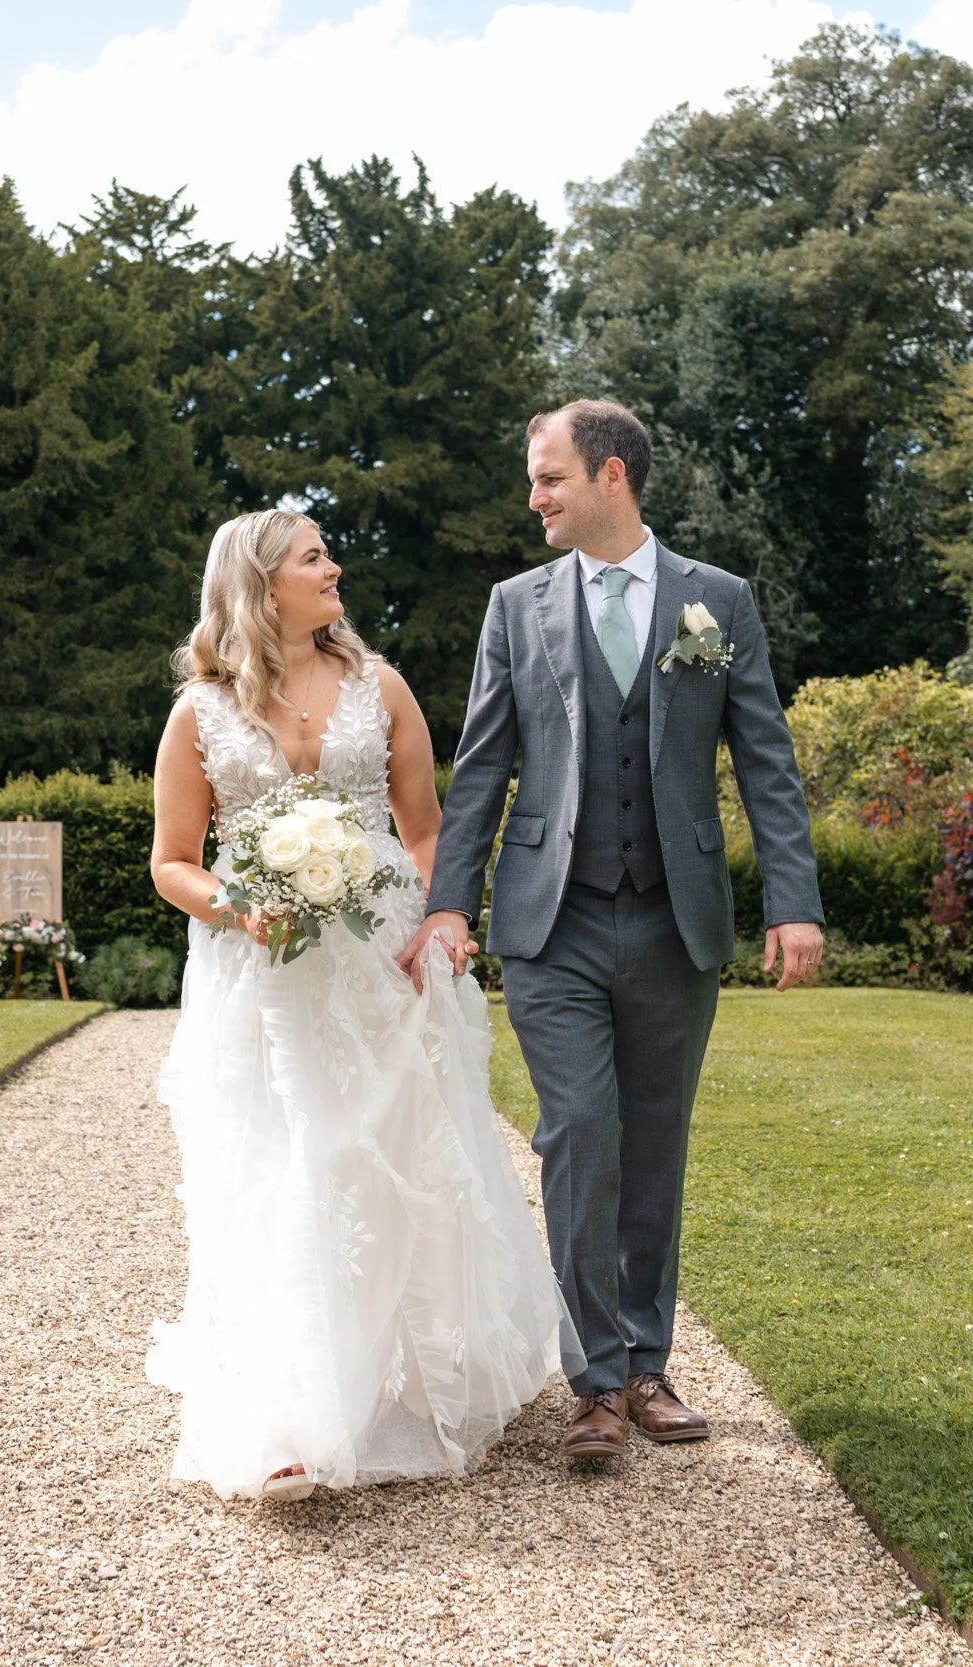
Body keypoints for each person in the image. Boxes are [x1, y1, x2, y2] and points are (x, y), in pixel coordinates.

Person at [400, 399, 824, 1461]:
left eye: (548, 478)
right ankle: (590, 1381)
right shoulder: (515, 605)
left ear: (611, 477)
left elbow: (763, 759)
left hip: (677, 924)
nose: (534, 497)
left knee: (654, 1144)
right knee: (579, 1132)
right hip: (554, 920)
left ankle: (645, 1367)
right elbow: (485, 762)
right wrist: (451, 899)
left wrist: (795, 899)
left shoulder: (714, 601)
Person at [145, 508, 578, 1503]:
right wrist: (237, 901)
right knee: (288, 1162)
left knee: (392, 1161)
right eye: (312, 556)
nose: (333, 566)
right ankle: (287, 1414)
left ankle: (406, 1381)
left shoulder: (377, 686)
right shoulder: (198, 713)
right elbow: (172, 862)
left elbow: (425, 833)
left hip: (380, 965)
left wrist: (437, 925)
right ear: (262, 585)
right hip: (268, 976)